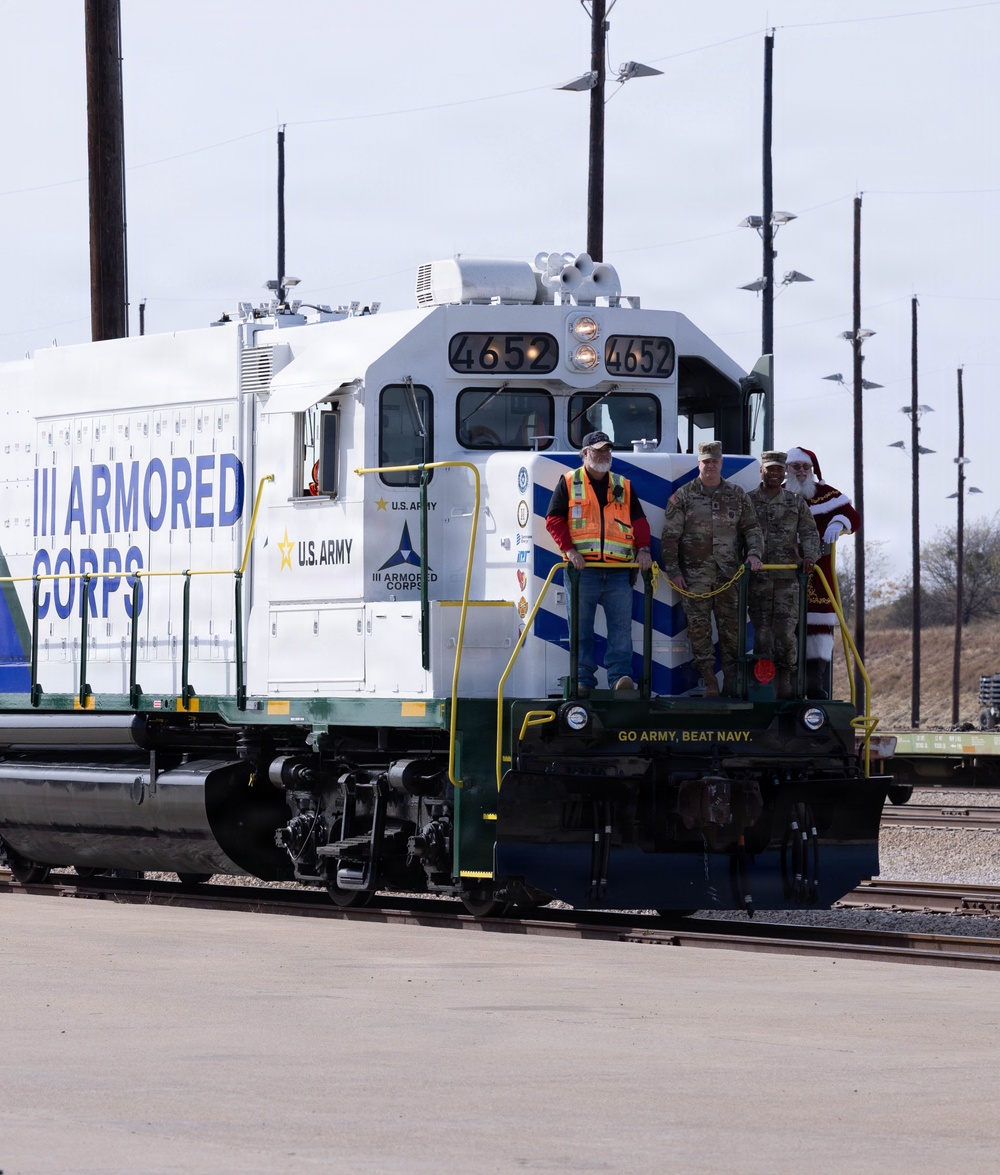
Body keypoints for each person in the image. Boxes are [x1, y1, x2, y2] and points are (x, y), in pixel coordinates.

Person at [545, 431, 653, 695]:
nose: (604, 455)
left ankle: (620, 678)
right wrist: (569, 551)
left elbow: (639, 521)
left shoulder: (623, 485)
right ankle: (582, 680)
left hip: (618, 572)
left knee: (620, 630)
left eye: (607, 450)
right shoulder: (569, 482)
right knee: (581, 629)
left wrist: (644, 549)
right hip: (583, 572)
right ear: (584, 454)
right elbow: (553, 520)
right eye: (597, 450)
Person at [660, 440, 763, 697]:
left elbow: (752, 528)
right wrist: (674, 571)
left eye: (715, 461)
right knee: (699, 631)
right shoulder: (683, 496)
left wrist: (754, 553)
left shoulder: (737, 495)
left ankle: (731, 682)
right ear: (699, 463)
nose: (710, 466)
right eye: (706, 461)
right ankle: (709, 682)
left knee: (732, 632)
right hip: (694, 579)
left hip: (729, 576)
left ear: (721, 463)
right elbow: (670, 537)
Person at [784, 446, 861, 698]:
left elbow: (853, 516)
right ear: (787, 468)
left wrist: (840, 523)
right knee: (785, 628)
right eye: (796, 466)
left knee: (818, 630)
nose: (802, 472)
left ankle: (814, 685)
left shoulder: (826, 494)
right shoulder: (778, 493)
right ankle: (788, 686)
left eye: (806, 467)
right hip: (783, 572)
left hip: (819, 571)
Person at [747, 451, 822, 698]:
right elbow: (739, 534)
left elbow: (810, 533)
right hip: (758, 581)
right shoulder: (747, 501)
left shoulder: (794, 502)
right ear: (762, 472)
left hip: (787, 580)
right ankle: (763, 684)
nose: (774, 474)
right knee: (762, 634)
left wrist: (810, 556)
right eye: (770, 469)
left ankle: (786, 679)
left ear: (784, 473)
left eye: (779, 470)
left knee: (786, 633)